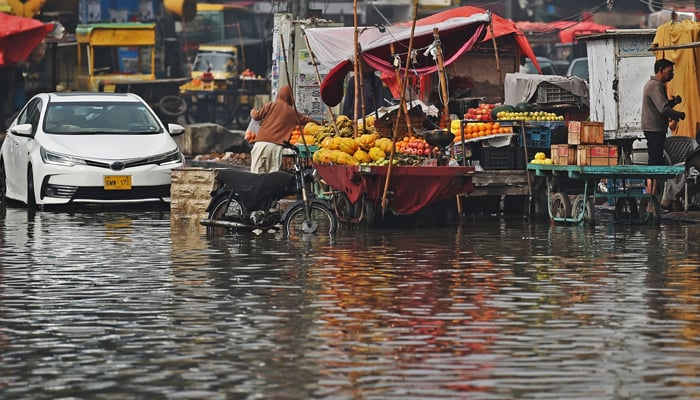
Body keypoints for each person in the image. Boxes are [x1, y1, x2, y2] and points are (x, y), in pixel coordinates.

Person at [249, 85, 317, 174]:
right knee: (272, 177)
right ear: (290, 98)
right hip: (275, 147)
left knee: (256, 176)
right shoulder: (292, 113)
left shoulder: (271, 105)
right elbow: (306, 120)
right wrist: (322, 124)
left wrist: (252, 111)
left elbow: (256, 116)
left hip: (260, 144)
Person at [641, 58, 685, 166]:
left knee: (656, 159)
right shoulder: (655, 86)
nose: (672, 74)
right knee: (655, 161)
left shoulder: (655, 85)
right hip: (654, 129)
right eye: (670, 72)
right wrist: (679, 115)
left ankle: (654, 182)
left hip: (654, 128)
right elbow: (663, 109)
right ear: (661, 70)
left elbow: (661, 105)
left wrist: (673, 102)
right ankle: (653, 182)